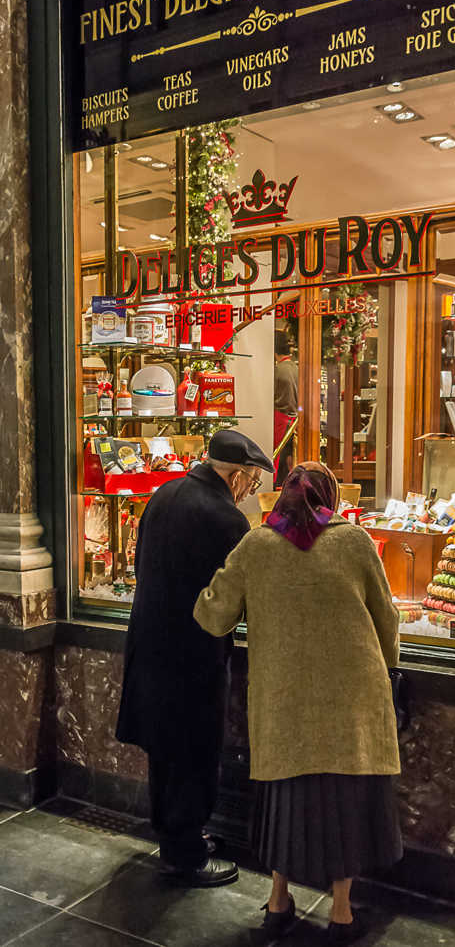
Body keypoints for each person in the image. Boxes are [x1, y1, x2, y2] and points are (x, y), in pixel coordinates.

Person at [194, 462, 402, 942]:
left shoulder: (257, 544)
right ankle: (343, 911)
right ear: (329, 497)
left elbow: (213, 615)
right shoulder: (355, 541)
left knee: (284, 800)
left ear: (282, 497)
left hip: (284, 702)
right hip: (351, 702)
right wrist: (388, 663)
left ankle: (277, 899)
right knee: (345, 800)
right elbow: (385, 619)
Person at [116, 429, 274, 885]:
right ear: (238, 475)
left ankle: (173, 836)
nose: (250, 492)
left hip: (149, 645)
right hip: (194, 656)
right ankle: (185, 856)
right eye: (251, 482)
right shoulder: (226, 519)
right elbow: (237, 597)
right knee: (195, 752)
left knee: (165, 752)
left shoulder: (163, 494)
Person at [273, 329, 298, 487]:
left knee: (278, 462)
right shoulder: (295, 368)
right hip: (293, 421)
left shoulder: (278, 370)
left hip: (280, 419)